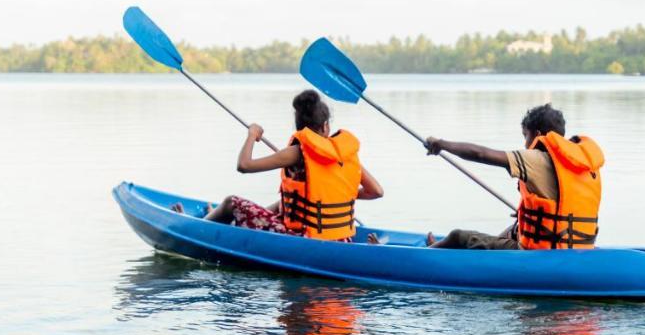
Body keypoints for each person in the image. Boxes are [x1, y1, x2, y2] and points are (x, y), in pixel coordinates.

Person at [172, 89, 384, 240]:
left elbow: (244, 165)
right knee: (283, 204)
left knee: (231, 203)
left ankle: (195, 229)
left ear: (299, 126)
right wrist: (336, 192)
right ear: (326, 126)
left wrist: (252, 135)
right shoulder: (344, 154)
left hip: (303, 239)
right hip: (340, 239)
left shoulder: (296, 153)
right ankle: (232, 221)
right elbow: (376, 192)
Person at [423, 103, 603, 250]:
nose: (525, 142)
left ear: (538, 135)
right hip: (577, 247)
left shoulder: (535, 158)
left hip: (542, 254)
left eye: (526, 135)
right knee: (515, 229)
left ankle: (429, 254)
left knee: (457, 236)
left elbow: (481, 154)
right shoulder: (581, 163)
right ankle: (449, 249)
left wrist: (441, 144)